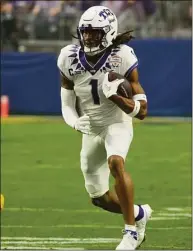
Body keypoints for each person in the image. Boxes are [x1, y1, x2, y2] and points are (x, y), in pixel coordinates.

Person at [57, 6, 152, 250]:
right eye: (85, 32)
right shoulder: (68, 58)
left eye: (94, 33)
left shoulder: (122, 56)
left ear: (108, 33)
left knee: (116, 163)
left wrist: (118, 98)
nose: (88, 38)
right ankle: (140, 213)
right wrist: (75, 121)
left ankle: (131, 232)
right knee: (99, 199)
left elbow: (141, 112)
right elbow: (67, 103)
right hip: (90, 127)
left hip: (116, 122)